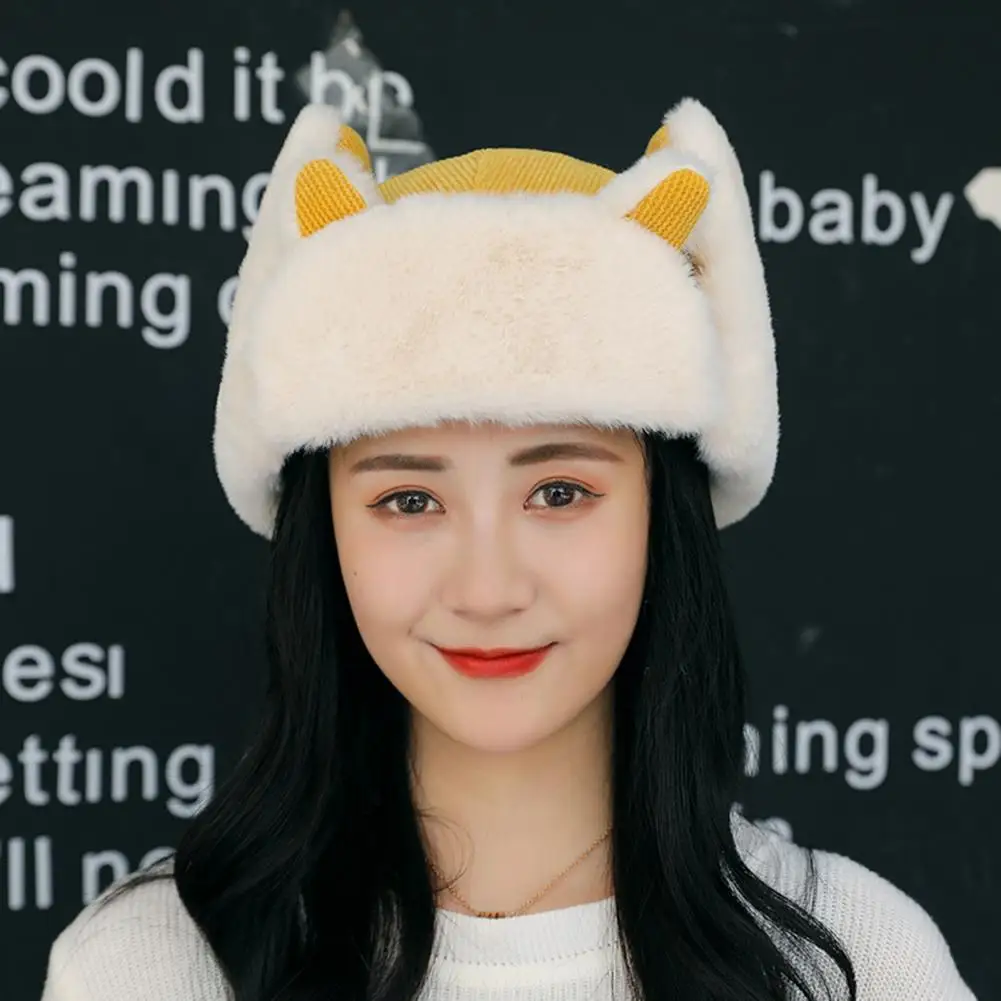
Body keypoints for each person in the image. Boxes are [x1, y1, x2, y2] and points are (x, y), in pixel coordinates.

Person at [38, 98, 977, 1001]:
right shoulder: (146, 968)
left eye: (559, 492)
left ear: (663, 519)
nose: (487, 589)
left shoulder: (858, 960)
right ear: (324, 535)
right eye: (409, 499)